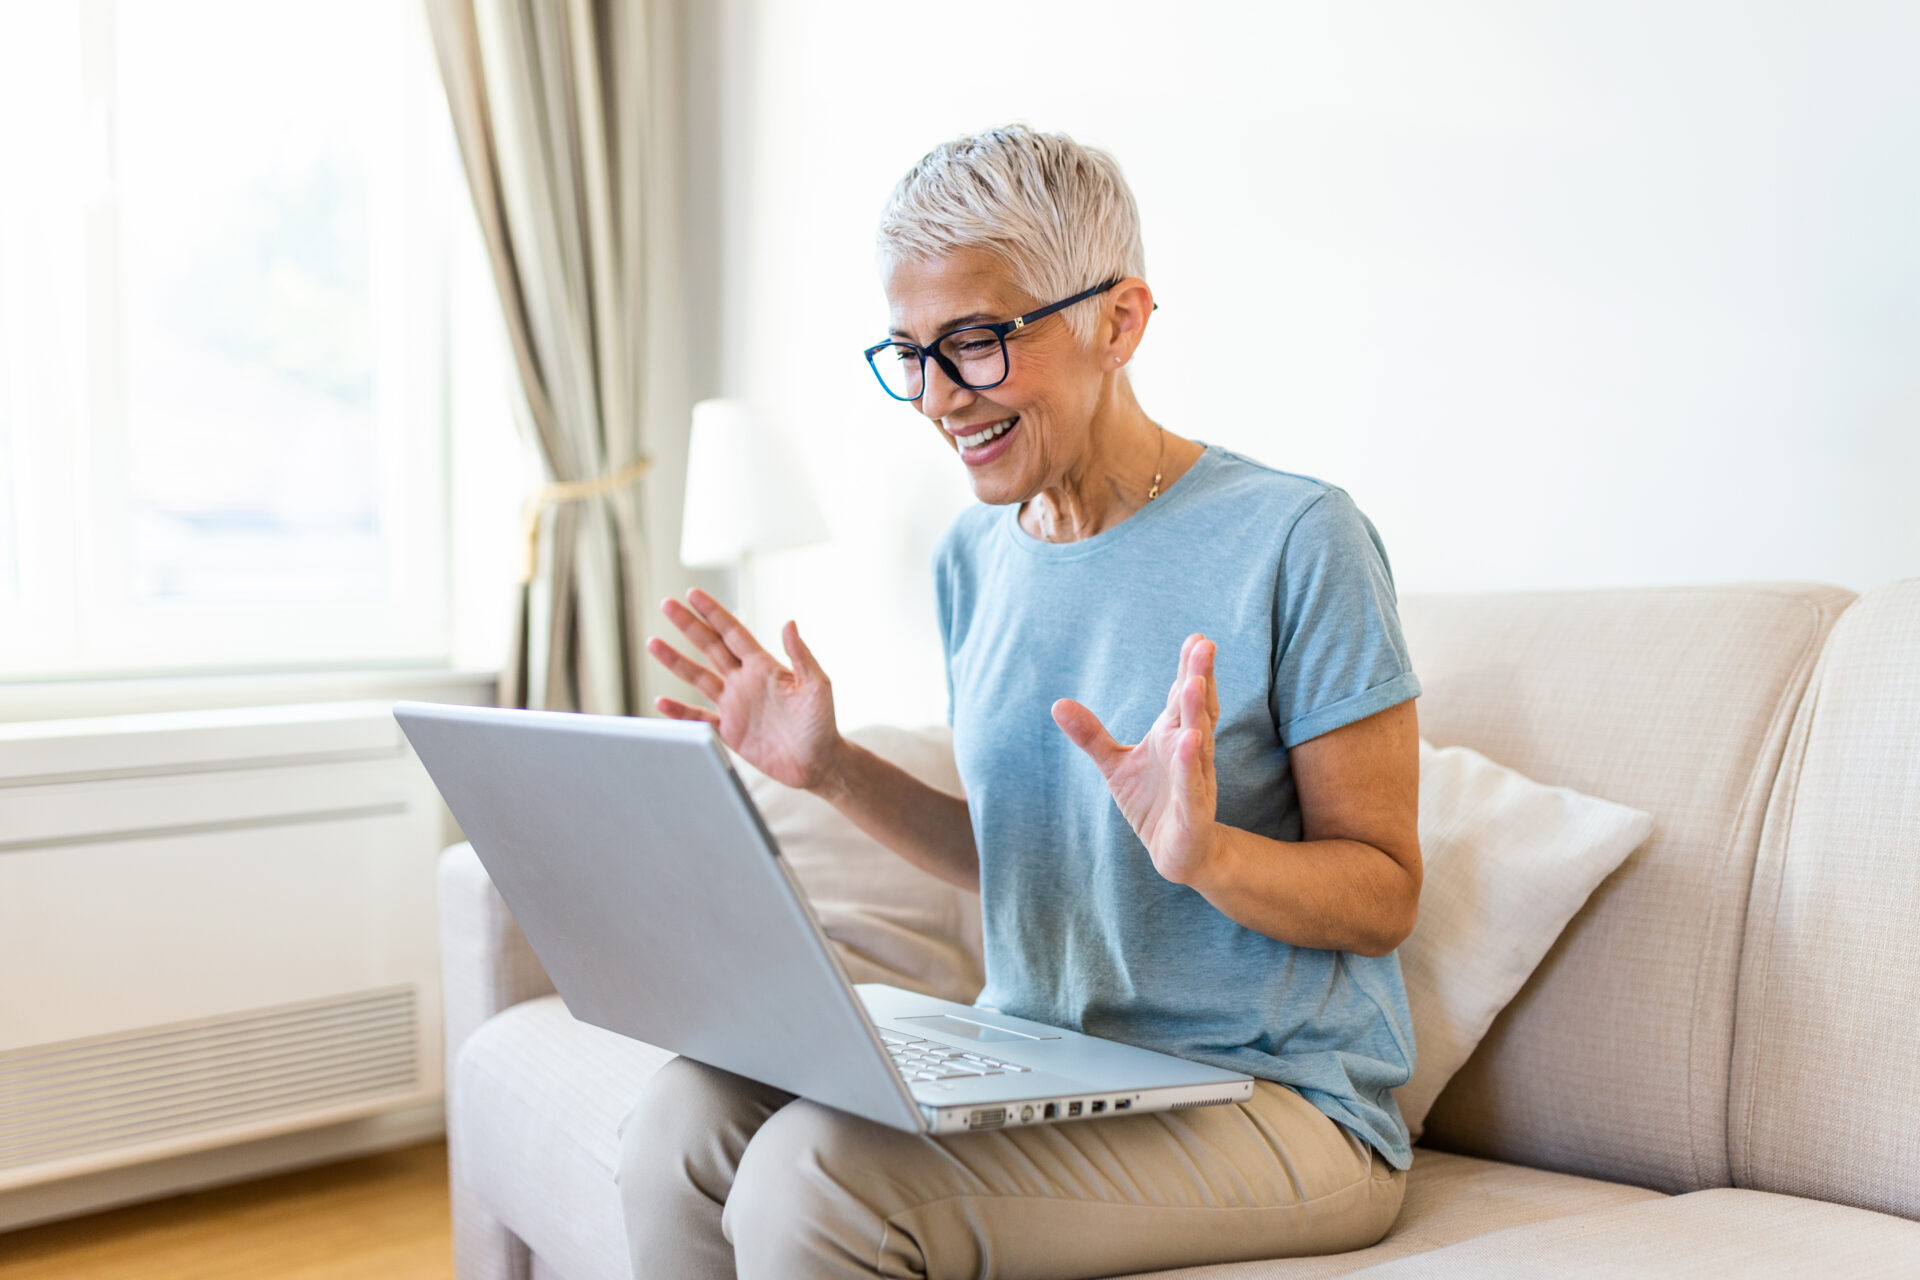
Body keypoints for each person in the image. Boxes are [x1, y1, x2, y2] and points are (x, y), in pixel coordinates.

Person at [623, 124, 1424, 1280]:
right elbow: (1026, 860)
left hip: (1280, 1102)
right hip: (1050, 1064)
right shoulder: (976, 554)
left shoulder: (1298, 539)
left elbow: (1386, 892)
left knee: (817, 1175)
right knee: (681, 1117)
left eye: (980, 342)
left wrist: (1206, 857)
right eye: (911, 352)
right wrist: (832, 766)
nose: (940, 396)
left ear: (1121, 320)